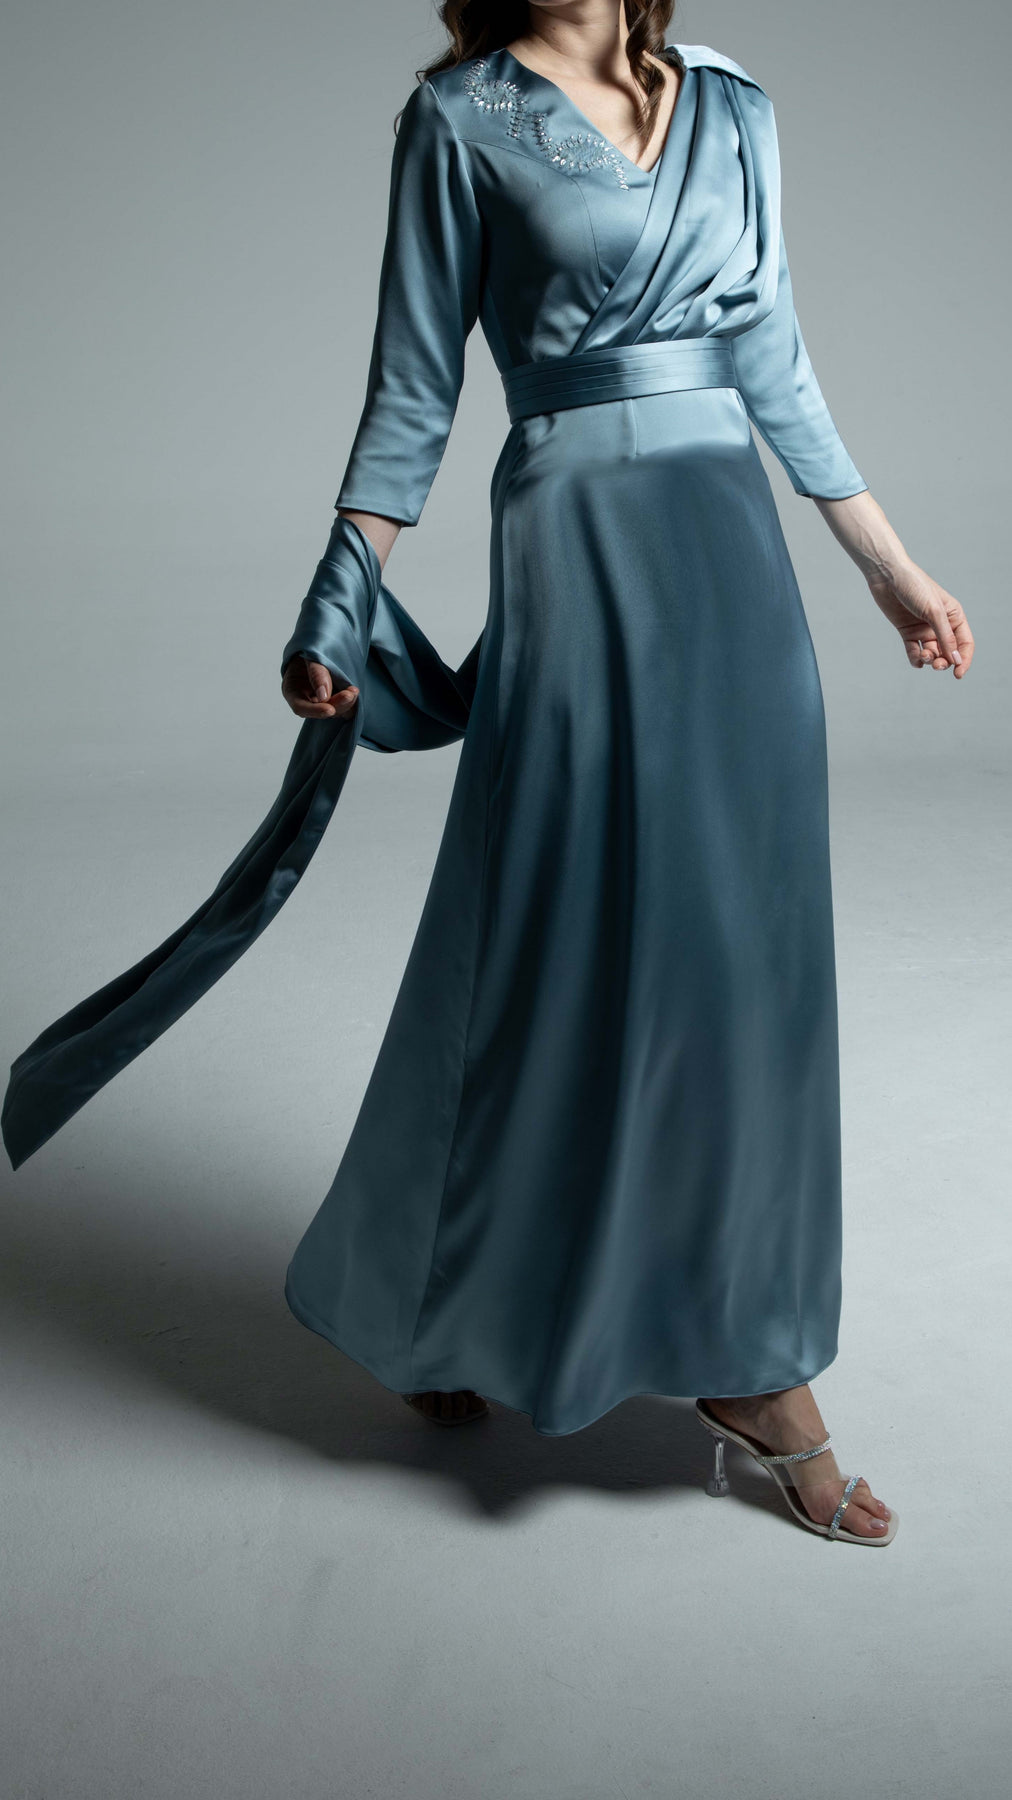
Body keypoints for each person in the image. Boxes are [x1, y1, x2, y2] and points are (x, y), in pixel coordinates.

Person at [4, 1, 972, 1546]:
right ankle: (445, 1295)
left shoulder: (736, 104)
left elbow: (771, 351)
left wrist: (890, 568)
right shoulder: (461, 122)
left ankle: (755, 1360)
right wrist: (340, 595)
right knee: (556, 955)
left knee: (746, 969)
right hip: (577, 552)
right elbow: (413, 388)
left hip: (734, 567)